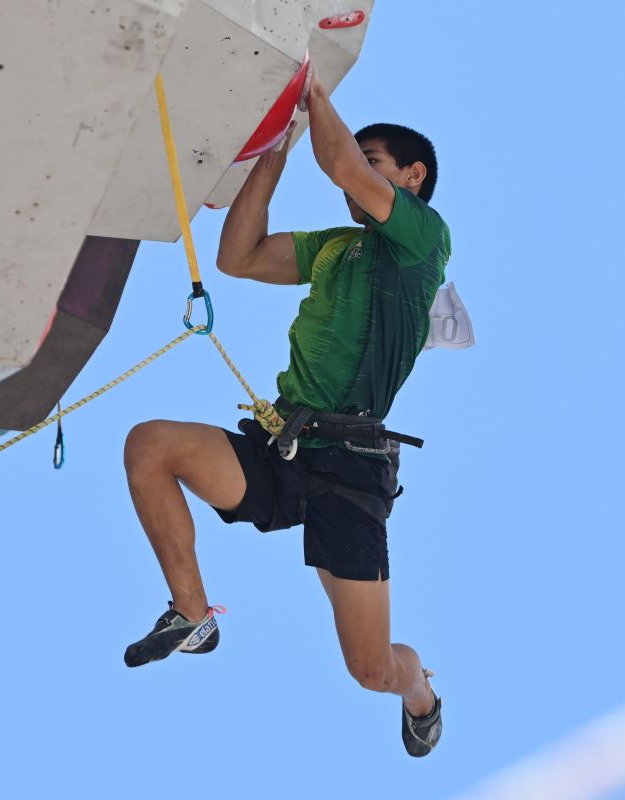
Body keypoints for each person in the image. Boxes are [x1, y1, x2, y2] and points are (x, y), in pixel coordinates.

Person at [121, 68, 450, 757]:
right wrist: (275, 147)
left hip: (351, 474)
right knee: (150, 445)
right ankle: (192, 614)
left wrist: (311, 90)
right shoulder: (336, 245)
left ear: (411, 177)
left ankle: (420, 690)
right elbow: (237, 257)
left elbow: (338, 162)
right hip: (283, 446)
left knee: (370, 670)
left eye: (375, 161)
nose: (354, 171)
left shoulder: (422, 241)